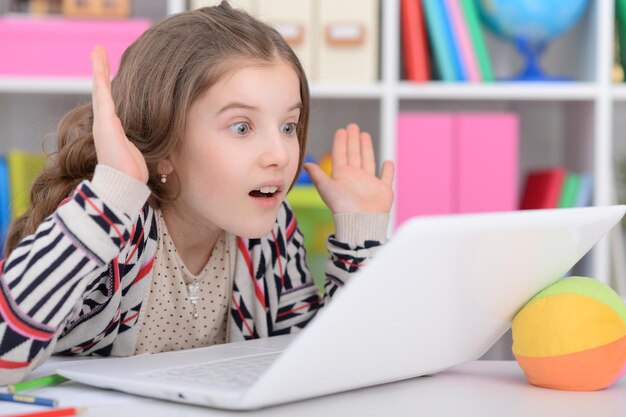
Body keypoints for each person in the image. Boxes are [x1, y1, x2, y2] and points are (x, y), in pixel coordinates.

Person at [0, 1, 394, 385]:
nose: (280, 154)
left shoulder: (270, 235)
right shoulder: (112, 228)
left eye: (288, 126)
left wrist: (360, 237)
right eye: (241, 127)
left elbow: (324, 365)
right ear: (166, 147)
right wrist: (110, 196)